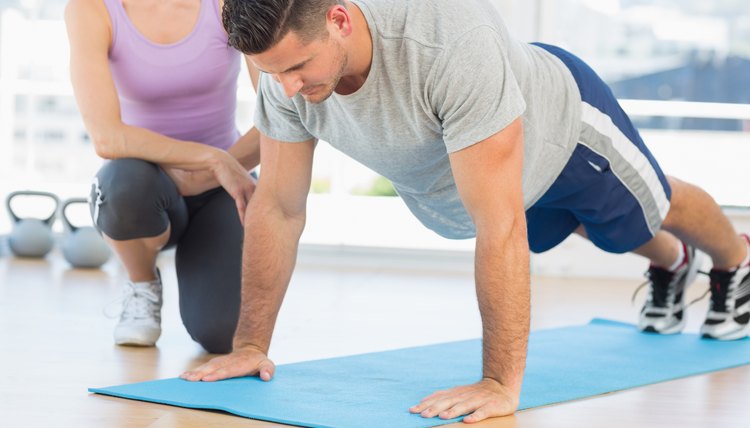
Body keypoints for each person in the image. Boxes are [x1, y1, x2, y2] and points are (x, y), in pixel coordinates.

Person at [182, 0, 750, 422]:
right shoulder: (287, 85)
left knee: (648, 204)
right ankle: (673, 265)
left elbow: (499, 226)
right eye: (272, 73)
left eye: (298, 67)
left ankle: (735, 261)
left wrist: (499, 382)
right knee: (602, 228)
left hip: (562, 129)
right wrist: (251, 344)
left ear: (339, 18)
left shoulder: (449, 45)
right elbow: (279, 208)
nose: (286, 88)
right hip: (493, 176)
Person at [65, 0, 260, 352]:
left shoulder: (226, 4)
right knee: (122, 186)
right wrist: (207, 158)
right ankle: (142, 283)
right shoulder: (91, 8)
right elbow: (108, 137)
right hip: (144, 183)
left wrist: (218, 169)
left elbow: (279, 118)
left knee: (222, 335)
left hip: (223, 184)